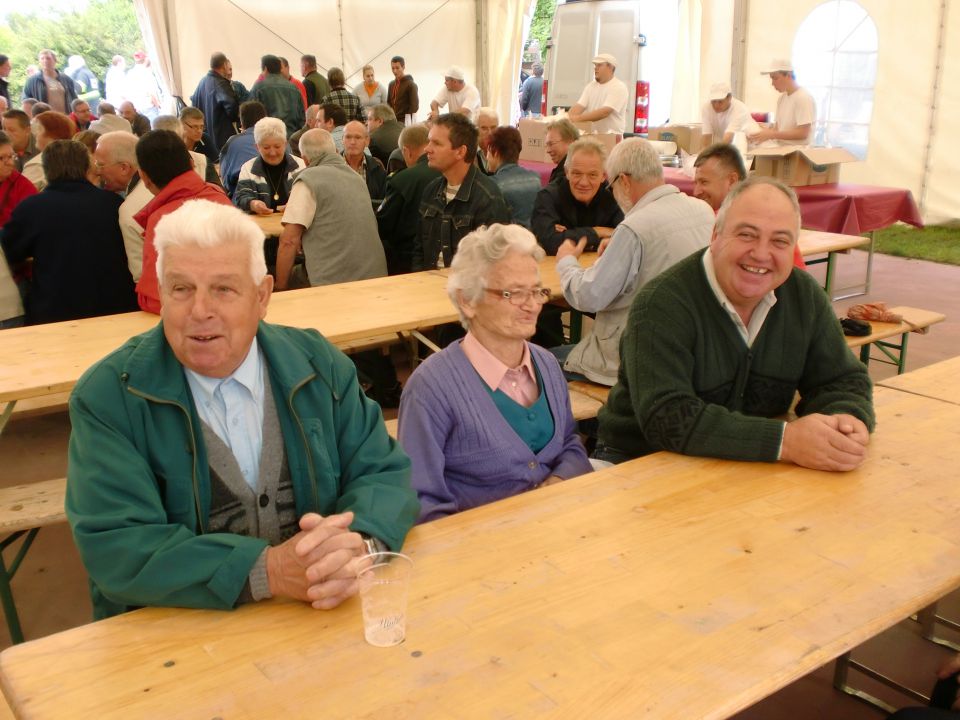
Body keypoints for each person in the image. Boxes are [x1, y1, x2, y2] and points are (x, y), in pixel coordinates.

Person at [65, 199, 419, 620]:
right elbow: (117, 546)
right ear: (161, 294)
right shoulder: (109, 396)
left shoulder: (318, 364)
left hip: (319, 618)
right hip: (174, 636)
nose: (200, 311)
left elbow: (383, 471)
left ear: (262, 296)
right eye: (181, 289)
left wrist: (358, 546)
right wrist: (267, 570)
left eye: (223, 289)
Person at [594, 176, 875, 470]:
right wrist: (786, 441)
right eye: (747, 235)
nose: (762, 254)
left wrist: (845, 420)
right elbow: (669, 419)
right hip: (638, 463)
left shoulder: (803, 296)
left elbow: (842, 380)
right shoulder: (661, 304)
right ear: (715, 236)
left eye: (779, 241)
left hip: (746, 463)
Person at [398, 223, 592, 522]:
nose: (532, 306)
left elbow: (570, 445)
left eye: (536, 291)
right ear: (467, 301)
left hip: (557, 527)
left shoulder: (548, 365)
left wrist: (552, 488)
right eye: (513, 293)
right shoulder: (430, 388)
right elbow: (422, 501)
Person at [553, 138, 714, 386]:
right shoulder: (702, 211)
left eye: (612, 186)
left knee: (540, 362)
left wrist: (566, 263)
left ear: (624, 181)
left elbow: (589, 296)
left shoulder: (635, 228)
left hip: (633, 361)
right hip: (689, 353)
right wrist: (618, 242)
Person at [1, 139, 136, 325]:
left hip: (55, 310)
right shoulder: (113, 204)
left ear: (46, 169)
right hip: (115, 307)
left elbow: (10, 252)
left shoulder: (32, 208)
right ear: (87, 167)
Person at [133, 129, 232, 313]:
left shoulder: (161, 220)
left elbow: (158, 299)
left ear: (144, 177)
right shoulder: (219, 197)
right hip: (234, 311)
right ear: (192, 163)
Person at [275, 128, 386, 291]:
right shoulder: (357, 178)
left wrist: (279, 288)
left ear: (305, 160)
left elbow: (288, 241)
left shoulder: (308, 180)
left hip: (334, 283)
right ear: (334, 151)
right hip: (375, 277)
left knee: (280, 279)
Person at [413, 113, 510, 270]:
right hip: (427, 286)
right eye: (429, 141)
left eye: (436, 143)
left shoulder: (487, 197)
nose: (427, 149)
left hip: (467, 289)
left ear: (460, 152)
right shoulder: (431, 191)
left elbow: (494, 262)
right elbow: (419, 250)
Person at [694, 143, 807, 270]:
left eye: (704, 182)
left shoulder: (716, 219)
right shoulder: (768, 211)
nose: (696, 192)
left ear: (731, 180)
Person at [530, 137, 622, 256]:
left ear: (603, 176)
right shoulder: (548, 197)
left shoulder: (614, 196)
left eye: (592, 175)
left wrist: (569, 235)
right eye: (577, 173)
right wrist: (597, 231)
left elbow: (625, 238)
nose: (583, 182)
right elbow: (550, 242)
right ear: (567, 172)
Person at [376, 124, 441, 275]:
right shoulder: (448, 172)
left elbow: (384, 224)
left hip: (406, 260)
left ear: (406, 151)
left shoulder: (402, 180)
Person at [95, 131, 150, 281]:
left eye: (100, 165)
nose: (97, 172)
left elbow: (142, 276)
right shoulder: (157, 184)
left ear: (124, 168)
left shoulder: (130, 209)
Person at [0, 130, 38, 329]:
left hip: (17, 273)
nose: (9, 162)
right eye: (2, 158)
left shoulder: (22, 186)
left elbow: (31, 229)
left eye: (11, 156)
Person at [234, 117, 305, 214]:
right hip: (261, 225)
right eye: (266, 147)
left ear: (285, 144)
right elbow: (241, 197)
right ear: (257, 147)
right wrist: (253, 204)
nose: (272, 153)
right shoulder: (248, 168)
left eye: (277, 146)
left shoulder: (301, 166)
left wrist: (297, 203)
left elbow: (310, 196)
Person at [750, 59, 816, 146]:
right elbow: (777, 129)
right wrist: (761, 132)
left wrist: (771, 134)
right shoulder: (782, 99)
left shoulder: (803, 98)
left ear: (788, 76)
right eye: (771, 78)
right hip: (781, 149)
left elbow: (803, 133)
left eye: (775, 78)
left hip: (797, 153)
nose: (772, 83)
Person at [486, 126, 540, 227]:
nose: (486, 157)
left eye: (488, 152)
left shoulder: (491, 184)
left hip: (508, 239)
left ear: (496, 153)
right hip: (533, 239)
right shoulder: (535, 178)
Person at [190, 52, 239, 156]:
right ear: (225, 65)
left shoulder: (202, 82)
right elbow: (233, 109)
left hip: (206, 138)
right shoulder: (221, 83)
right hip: (222, 138)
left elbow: (193, 105)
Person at [567, 53, 628, 134]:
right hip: (593, 136)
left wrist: (576, 119)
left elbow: (604, 112)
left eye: (599, 65)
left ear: (610, 67)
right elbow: (579, 106)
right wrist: (566, 118)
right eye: (595, 65)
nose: (595, 68)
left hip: (612, 137)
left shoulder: (618, 87)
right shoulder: (591, 86)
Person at [218, 100, 267, 197]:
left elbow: (225, 180)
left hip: (244, 197)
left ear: (241, 121)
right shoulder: (280, 138)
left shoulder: (234, 142)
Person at [250, 55, 305, 137]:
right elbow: (301, 117)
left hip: (268, 137)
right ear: (280, 68)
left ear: (265, 68)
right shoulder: (294, 88)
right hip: (291, 136)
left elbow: (252, 115)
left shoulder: (258, 87)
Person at [22, 111, 76, 190]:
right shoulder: (77, 157)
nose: (34, 134)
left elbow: (20, 196)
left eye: (38, 130)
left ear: (51, 134)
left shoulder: (37, 164)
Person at [342, 120, 386, 210]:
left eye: (358, 137)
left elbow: (383, 202)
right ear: (342, 140)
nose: (352, 142)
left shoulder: (377, 166)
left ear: (367, 141)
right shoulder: (332, 167)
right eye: (348, 137)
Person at [22, 49, 78, 114]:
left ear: (55, 61)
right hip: (44, 118)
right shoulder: (33, 81)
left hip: (65, 117)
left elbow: (74, 99)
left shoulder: (66, 79)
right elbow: (26, 100)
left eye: (48, 58)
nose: (45, 61)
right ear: (39, 62)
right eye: (42, 59)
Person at [126, 51, 162, 120]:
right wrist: (157, 104)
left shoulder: (130, 73)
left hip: (137, 107)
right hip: (149, 107)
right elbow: (151, 91)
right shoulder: (146, 72)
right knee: (153, 128)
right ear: (145, 59)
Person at [366, 103, 404, 168]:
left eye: (369, 119)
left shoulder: (373, 139)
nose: (366, 123)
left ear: (380, 121)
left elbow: (370, 166)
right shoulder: (403, 126)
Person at [543, 117, 579, 185]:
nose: (547, 150)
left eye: (551, 144)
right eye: (546, 145)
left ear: (570, 142)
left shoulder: (566, 176)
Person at [387, 56, 418, 123]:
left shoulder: (411, 85)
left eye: (397, 68)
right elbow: (388, 104)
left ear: (403, 67)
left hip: (405, 122)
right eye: (393, 68)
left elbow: (414, 106)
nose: (395, 71)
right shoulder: (391, 84)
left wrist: (406, 121)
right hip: (393, 121)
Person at [474, 107, 498, 173]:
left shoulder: (503, 151)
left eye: (493, 128)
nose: (490, 133)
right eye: (484, 128)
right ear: (476, 130)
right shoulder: (469, 152)